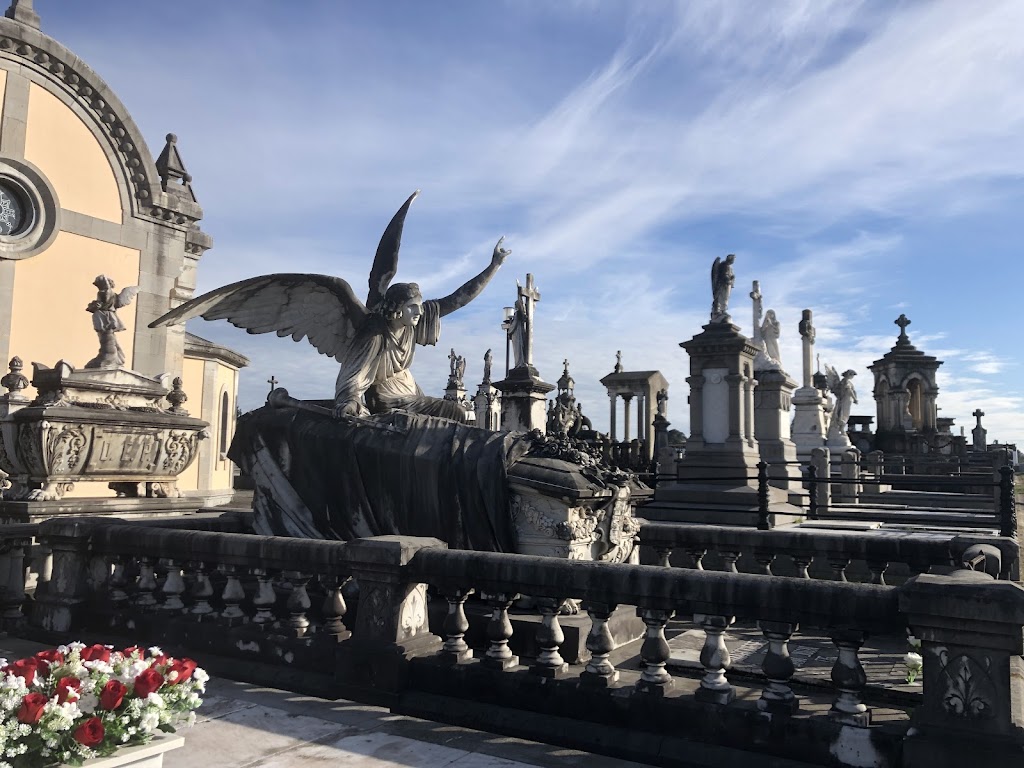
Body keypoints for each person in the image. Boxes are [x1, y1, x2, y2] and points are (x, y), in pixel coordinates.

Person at [333, 239, 510, 420]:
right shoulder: (375, 334)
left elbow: (458, 299)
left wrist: (494, 266)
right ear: (396, 308)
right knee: (457, 413)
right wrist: (351, 401)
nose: (419, 312)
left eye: (419, 306)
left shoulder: (411, 324)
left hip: (410, 393)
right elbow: (354, 374)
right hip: (390, 400)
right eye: (412, 307)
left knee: (458, 414)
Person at [711, 254, 736, 321]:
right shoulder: (724, 265)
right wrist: (728, 278)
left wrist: (732, 278)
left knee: (726, 298)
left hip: (728, 285)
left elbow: (730, 275)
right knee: (721, 297)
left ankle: (723, 310)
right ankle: (718, 310)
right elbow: (723, 275)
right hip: (722, 285)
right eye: (732, 259)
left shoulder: (730, 267)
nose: (733, 261)